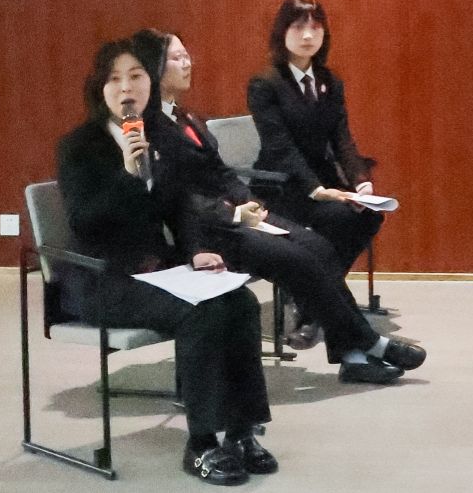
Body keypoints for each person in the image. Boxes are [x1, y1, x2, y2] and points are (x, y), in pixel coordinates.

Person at [134, 28, 424, 385]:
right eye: (176, 58)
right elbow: (174, 197)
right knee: (296, 258)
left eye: (186, 55)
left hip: (233, 218)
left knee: (318, 247)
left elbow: (221, 173)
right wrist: (234, 213)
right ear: (154, 68)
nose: (187, 63)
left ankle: (353, 355)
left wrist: (249, 201)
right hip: (203, 235)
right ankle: (369, 345)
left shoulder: (185, 116)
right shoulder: (148, 128)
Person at [55, 36, 274, 485]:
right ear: (99, 88)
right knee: (201, 312)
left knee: (240, 302)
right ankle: (202, 443)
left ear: (151, 84)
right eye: (114, 79)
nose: (126, 88)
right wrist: (125, 174)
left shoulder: (161, 140)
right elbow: (83, 223)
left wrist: (195, 250)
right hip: (104, 277)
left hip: (160, 271)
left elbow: (180, 208)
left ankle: (241, 431)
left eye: (136, 76)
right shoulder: (79, 146)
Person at [246, 0, 385, 277]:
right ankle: (322, 289)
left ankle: (319, 288)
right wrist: (316, 190)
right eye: (298, 27)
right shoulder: (265, 84)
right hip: (283, 185)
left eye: (315, 27)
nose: (308, 36)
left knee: (369, 215)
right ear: (282, 32)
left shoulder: (330, 82)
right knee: (340, 218)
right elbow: (280, 146)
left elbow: (342, 137)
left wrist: (360, 181)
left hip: (323, 180)